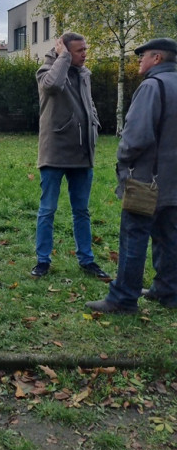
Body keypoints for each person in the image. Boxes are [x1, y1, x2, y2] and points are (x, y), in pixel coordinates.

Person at [86, 37, 177, 314]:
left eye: (144, 55)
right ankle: (168, 291)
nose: (140, 59)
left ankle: (124, 298)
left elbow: (136, 137)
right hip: (174, 182)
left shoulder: (152, 86)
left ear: (157, 58)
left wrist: (123, 160)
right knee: (169, 238)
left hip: (146, 180)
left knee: (134, 237)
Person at [31, 32, 111, 280]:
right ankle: (42, 260)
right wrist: (63, 57)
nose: (85, 54)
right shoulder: (45, 71)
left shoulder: (85, 74)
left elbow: (88, 105)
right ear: (63, 51)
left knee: (82, 211)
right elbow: (53, 86)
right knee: (47, 210)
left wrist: (94, 125)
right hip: (54, 152)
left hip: (82, 153)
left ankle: (87, 260)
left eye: (85, 49)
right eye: (79, 50)